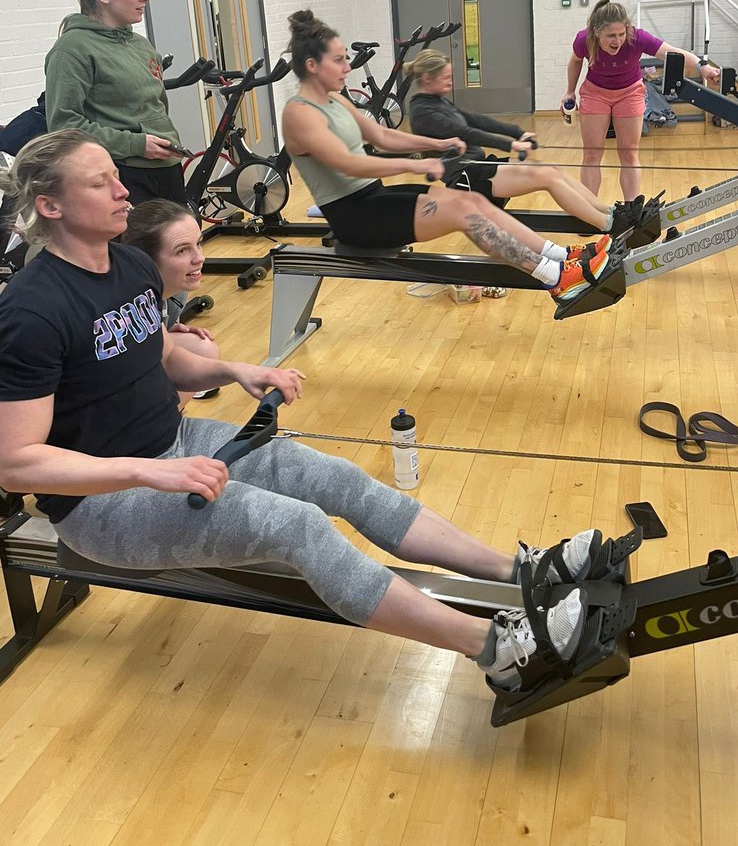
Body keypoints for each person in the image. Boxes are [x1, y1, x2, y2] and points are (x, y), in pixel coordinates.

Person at [0, 128, 604, 694]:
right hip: (103, 506)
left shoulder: (129, 264)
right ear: (50, 206)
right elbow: (17, 464)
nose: (123, 189)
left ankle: (519, 570)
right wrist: (147, 472)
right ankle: (497, 651)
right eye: (99, 182)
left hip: (178, 444)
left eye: (116, 176)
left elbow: (160, 356)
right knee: (296, 526)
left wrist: (234, 370)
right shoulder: (32, 310)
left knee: (336, 478)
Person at [282, 11, 619, 312]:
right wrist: (415, 164)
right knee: (464, 213)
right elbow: (348, 164)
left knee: (471, 200)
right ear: (312, 65)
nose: (347, 67)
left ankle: (561, 256)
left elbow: (383, 137)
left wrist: (436, 143)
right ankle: (556, 278)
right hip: (354, 217)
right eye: (339, 60)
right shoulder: (300, 114)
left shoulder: (337, 101)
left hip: (374, 198)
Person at [406, 49, 649, 235]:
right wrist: (511, 146)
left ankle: (614, 212)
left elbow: (475, 120)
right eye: (446, 77)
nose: (450, 81)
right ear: (428, 78)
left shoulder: (438, 101)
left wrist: (517, 132)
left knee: (553, 170)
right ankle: (610, 226)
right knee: (547, 178)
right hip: (464, 179)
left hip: (477, 168)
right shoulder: (422, 112)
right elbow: (466, 131)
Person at [44, 0, 187, 206]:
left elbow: (157, 107)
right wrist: (135, 144)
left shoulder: (141, 45)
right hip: (124, 174)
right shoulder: (72, 49)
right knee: (134, 248)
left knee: (180, 243)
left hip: (167, 168)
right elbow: (64, 125)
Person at [561, 0, 720, 199]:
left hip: (629, 93)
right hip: (595, 93)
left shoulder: (637, 37)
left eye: (621, 34)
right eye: (611, 35)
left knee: (629, 154)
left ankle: (631, 211)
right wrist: (569, 91)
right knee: (592, 154)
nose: (617, 41)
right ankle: (588, 209)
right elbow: (574, 61)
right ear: (596, 32)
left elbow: (671, 52)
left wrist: (701, 66)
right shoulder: (583, 40)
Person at [123, 199, 220, 409]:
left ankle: (168, 421)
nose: (200, 258)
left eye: (199, 243)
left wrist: (163, 330)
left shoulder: (174, 293)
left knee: (200, 347)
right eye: (182, 251)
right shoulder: (125, 304)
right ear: (146, 259)